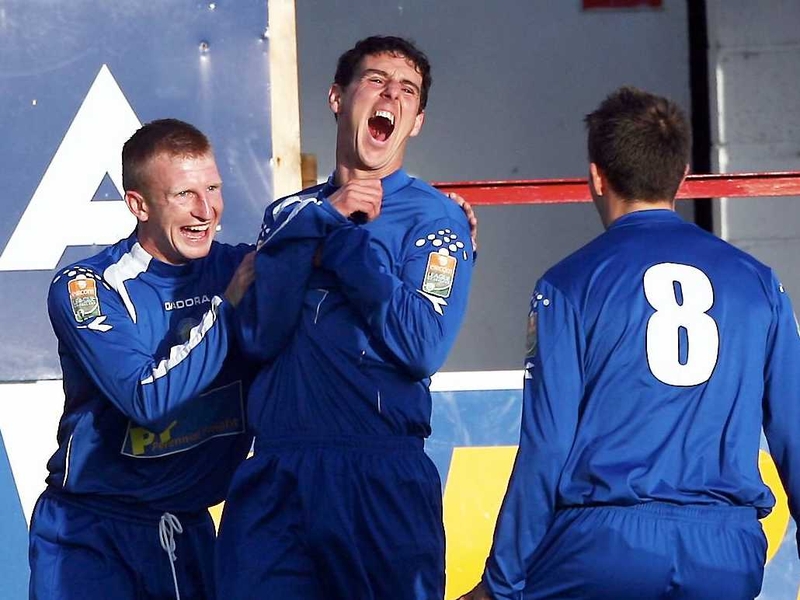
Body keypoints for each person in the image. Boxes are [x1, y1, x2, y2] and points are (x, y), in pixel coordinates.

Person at [459, 86, 800, 600]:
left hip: (605, 545)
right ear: (682, 176)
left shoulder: (568, 285)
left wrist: (500, 583)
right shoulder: (760, 284)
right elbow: (794, 435)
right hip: (725, 552)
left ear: (596, 175)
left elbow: (546, 448)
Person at [215, 35, 475, 600]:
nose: (392, 95)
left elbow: (421, 344)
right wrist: (318, 222)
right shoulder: (287, 215)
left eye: (407, 90)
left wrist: (342, 243)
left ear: (417, 121)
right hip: (278, 473)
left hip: (378, 476)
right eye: (376, 80)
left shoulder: (436, 219)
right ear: (338, 97)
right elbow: (258, 337)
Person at [28, 118, 257, 600]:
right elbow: (146, 397)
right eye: (183, 194)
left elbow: (331, 250)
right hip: (91, 535)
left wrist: (431, 219)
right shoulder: (86, 287)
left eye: (213, 187)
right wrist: (227, 307)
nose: (206, 210)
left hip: (189, 532)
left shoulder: (239, 265)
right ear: (139, 205)